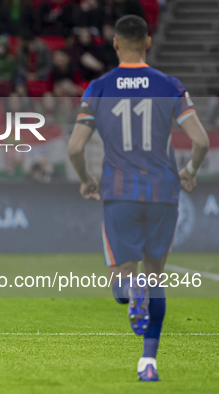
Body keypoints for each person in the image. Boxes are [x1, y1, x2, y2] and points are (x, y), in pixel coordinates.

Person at [67, 15, 210, 382]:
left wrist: (86, 180)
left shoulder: (99, 87)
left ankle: (130, 290)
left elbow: (75, 147)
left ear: (115, 44)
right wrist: (190, 172)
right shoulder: (170, 85)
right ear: (148, 43)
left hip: (119, 191)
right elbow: (201, 141)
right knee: (154, 276)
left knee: (121, 279)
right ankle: (148, 363)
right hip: (163, 192)